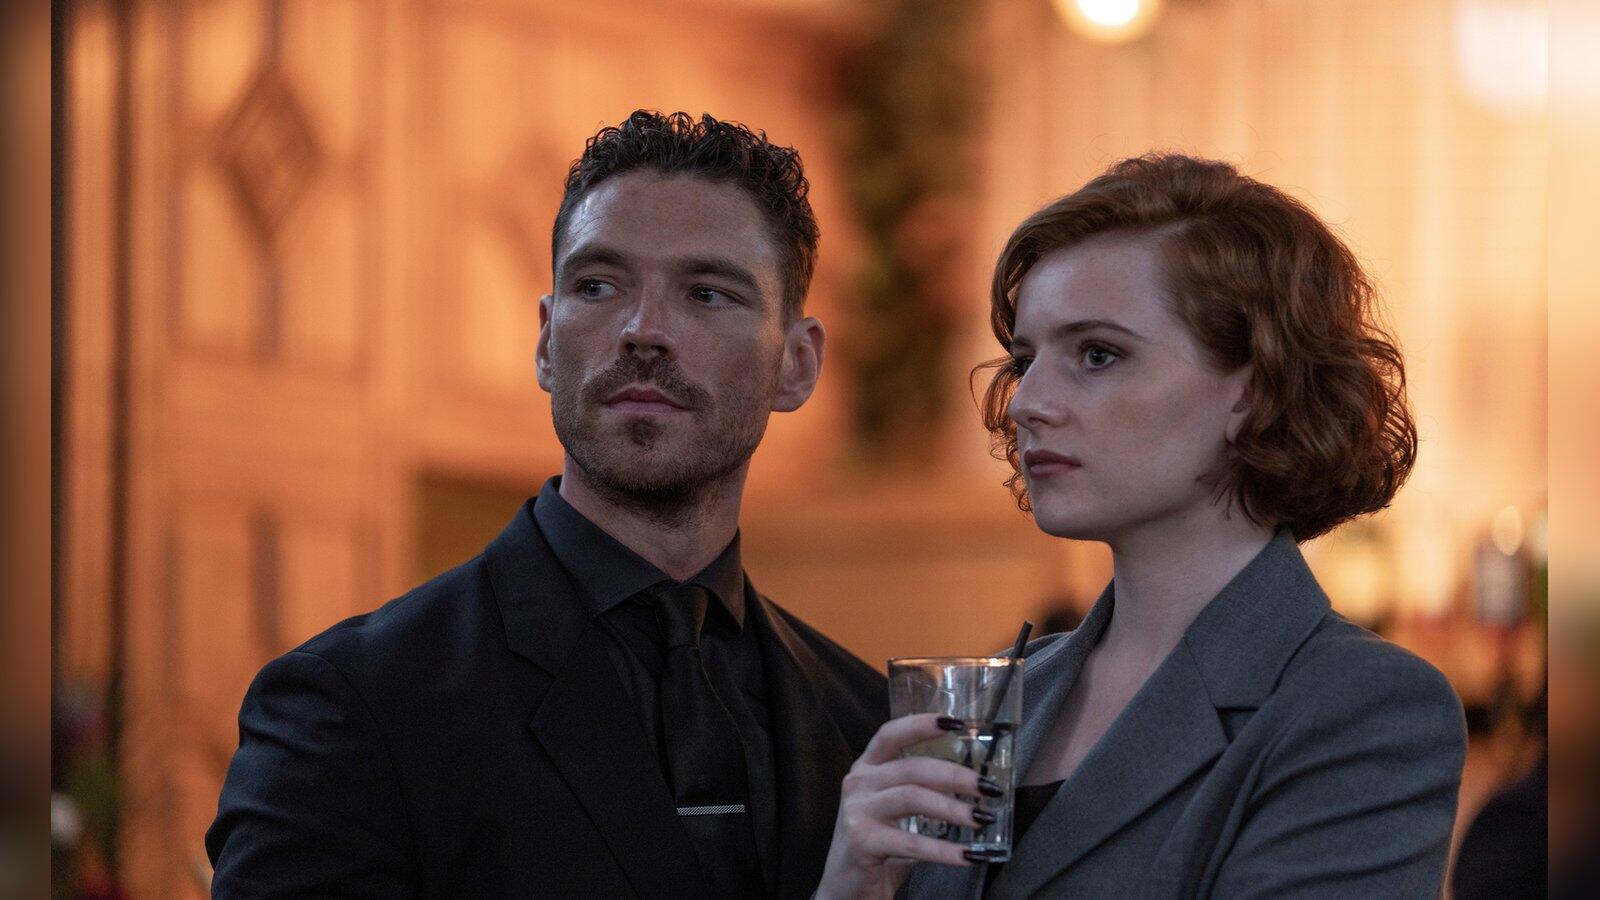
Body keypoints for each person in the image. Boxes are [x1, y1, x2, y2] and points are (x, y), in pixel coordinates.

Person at [206, 110, 887, 898]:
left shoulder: (865, 724)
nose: (643, 331)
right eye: (597, 286)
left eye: (706, 294)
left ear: (797, 365)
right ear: (544, 341)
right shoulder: (353, 707)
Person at [817, 154, 1467, 898]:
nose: (1026, 402)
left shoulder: (1361, 706)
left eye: (1098, 354)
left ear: (1255, 390)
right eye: (1024, 361)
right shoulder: (1004, 691)